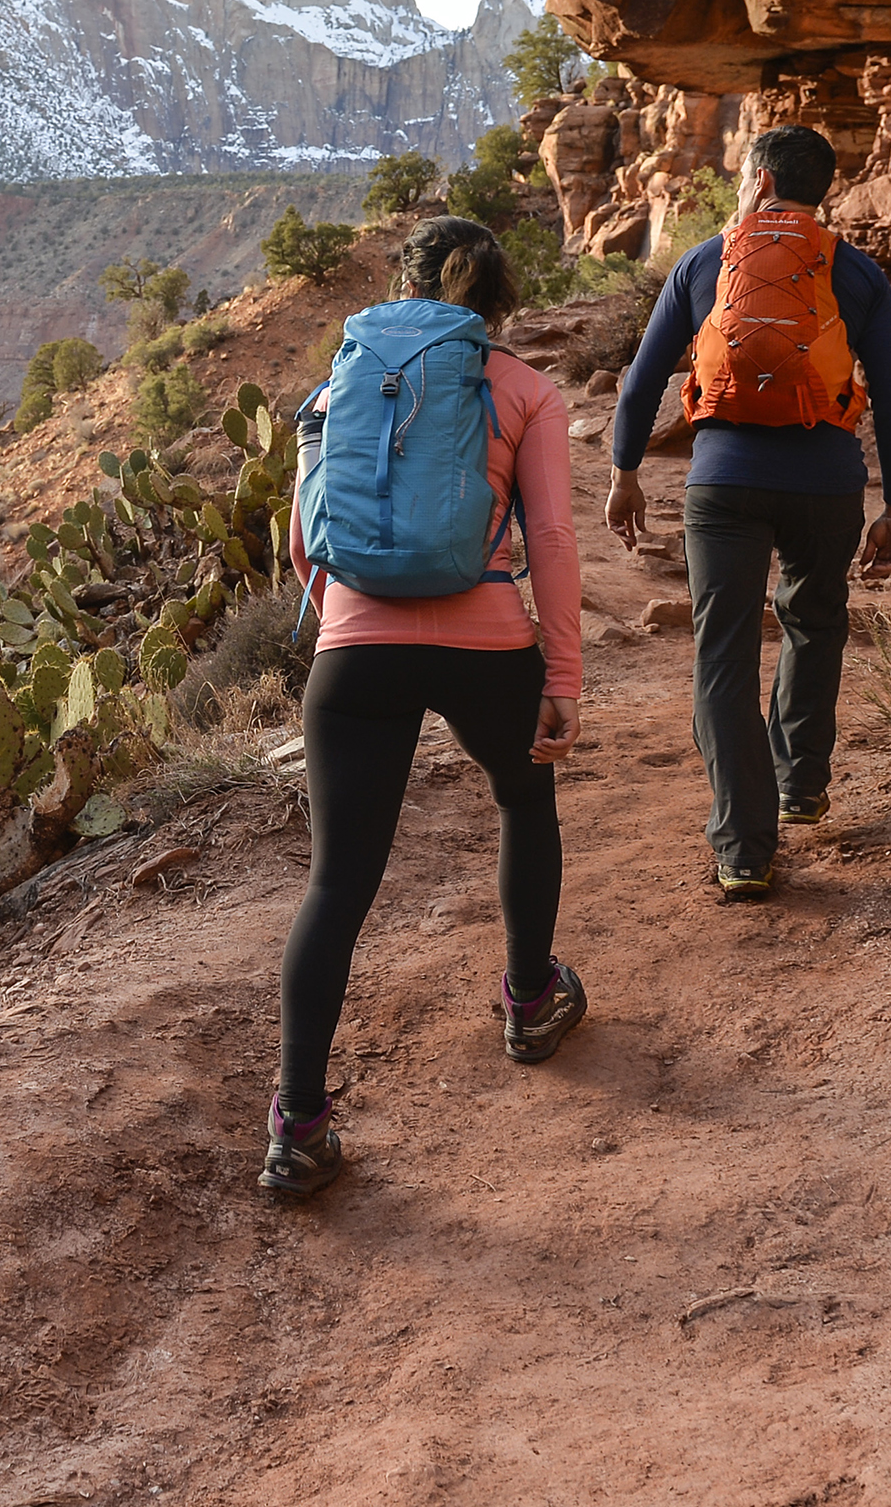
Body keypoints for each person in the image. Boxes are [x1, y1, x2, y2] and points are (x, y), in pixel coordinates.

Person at [260, 213, 585, 1199]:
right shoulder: (521, 388)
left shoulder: (339, 387)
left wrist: (348, 621)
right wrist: (562, 678)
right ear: (497, 299)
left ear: (402, 286)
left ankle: (297, 1127)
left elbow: (303, 542)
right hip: (488, 642)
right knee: (523, 801)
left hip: (356, 652)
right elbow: (552, 539)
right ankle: (529, 1001)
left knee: (336, 882)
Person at [606, 124, 891, 899]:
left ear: (762, 180)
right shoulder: (854, 271)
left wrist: (624, 473)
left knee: (723, 655)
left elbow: (640, 382)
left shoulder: (704, 261)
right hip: (826, 486)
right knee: (813, 621)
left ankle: (743, 850)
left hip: (722, 486)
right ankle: (799, 785)